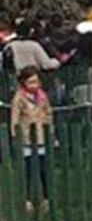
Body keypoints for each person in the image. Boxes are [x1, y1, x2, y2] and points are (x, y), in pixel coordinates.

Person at [10, 64, 51, 207]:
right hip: (27, 137)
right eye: (30, 82)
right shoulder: (19, 98)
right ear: (23, 83)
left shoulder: (42, 96)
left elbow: (48, 113)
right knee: (27, 169)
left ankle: (46, 198)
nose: (34, 85)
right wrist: (15, 134)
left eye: (36, 81)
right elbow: (14, 118)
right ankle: (27, 198)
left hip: (41, 136)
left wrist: (50, 130)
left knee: (43, 169)